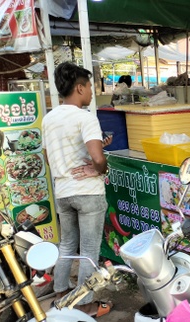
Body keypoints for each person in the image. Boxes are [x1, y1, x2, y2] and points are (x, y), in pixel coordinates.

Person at [42, 62, 113, 317]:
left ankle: (61, 293)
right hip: (87, 193)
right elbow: (97, 158)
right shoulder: (85, 117)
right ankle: (84, 305)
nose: (92, 92)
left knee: (68, 245)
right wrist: (99, 169)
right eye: (91, 87)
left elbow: (49, 157)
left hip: (63, 191)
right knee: (90, 252)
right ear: (80, 88)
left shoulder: (49, 118)